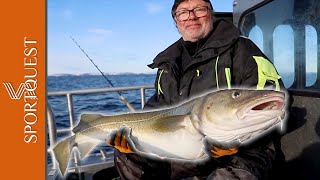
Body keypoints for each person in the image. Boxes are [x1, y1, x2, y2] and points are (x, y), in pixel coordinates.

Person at [107, 0, 286, 179]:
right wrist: (135, 141)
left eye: (199, 9)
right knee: (128, 157)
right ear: (176, 21)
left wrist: (237, 143)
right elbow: (156, 113)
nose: (191, 16)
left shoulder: (243, 50)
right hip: (188, 151)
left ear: (211, 14)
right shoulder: (167, 64)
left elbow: (273, 105)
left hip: (244, 153)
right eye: (183, 12)